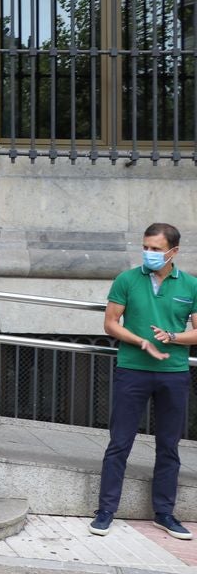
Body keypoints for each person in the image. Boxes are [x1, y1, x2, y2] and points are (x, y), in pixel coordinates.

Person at [88, 223, 197, 540]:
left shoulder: (190, 285)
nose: (148, 253)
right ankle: (106, 510)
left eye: (155, 249)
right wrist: (141, 342)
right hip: (132, 369)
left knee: (168, 446)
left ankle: (164, 513)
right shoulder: (127, 279)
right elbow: (110, 323)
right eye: (145, 247)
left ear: (173, 251)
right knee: (119, 443)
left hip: (174, 374)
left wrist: (173, 337)